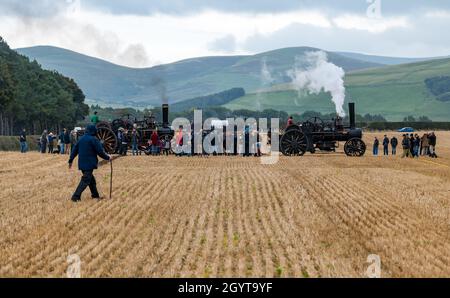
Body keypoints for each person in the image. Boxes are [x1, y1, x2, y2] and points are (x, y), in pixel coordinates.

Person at [69, 124, 111, 202]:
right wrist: (108, 157)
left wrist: (70, 160)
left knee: (91, 180)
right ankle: (75, 197)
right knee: (85, 180)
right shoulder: (93, 139)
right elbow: (100, 152)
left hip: (81, 163)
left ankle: (95, 196)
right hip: (89, 163)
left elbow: (74, 150)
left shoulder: (81, 139)